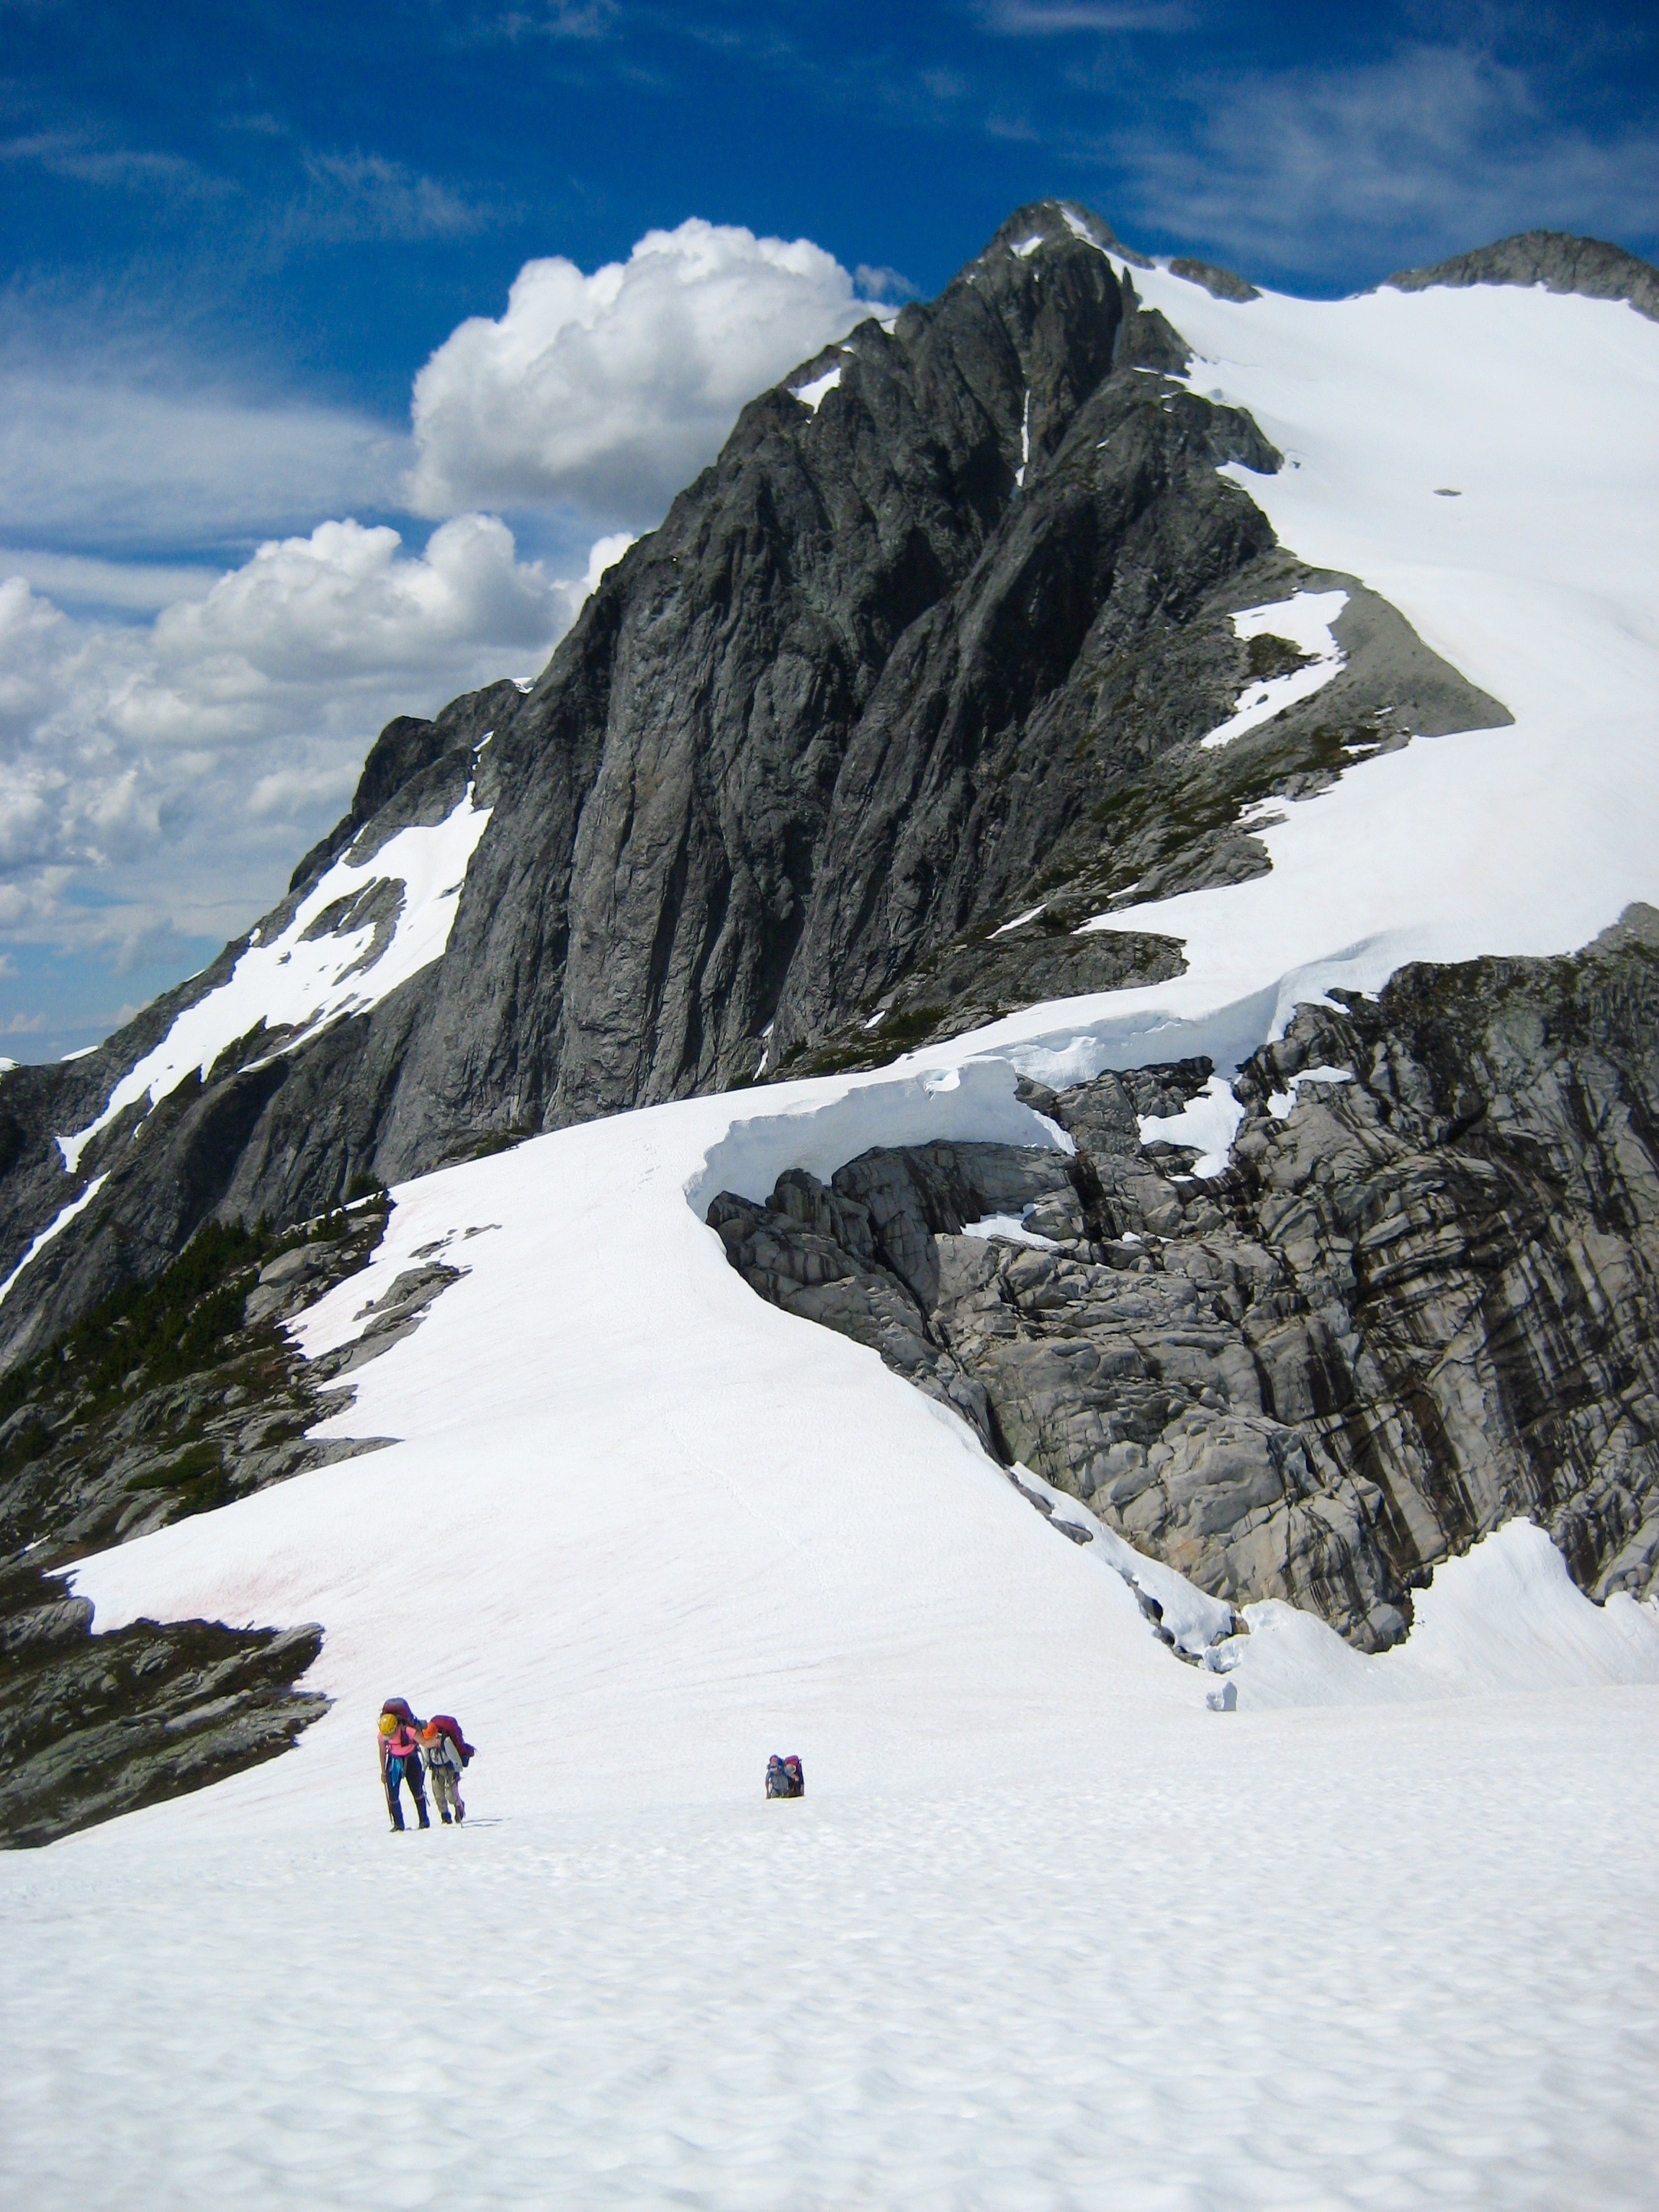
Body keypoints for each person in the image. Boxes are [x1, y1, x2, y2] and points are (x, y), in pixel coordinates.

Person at [378, 1706, 431, 1831]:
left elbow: (424, 1742)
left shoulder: (407, 1730)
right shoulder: (382, 1735)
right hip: (399, 1760)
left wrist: (435, 1742)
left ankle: (423, 1821)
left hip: (408, 1759)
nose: (389, 1737)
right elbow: (382, 1751)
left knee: (416, 1790)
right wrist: (383, 1772)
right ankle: (399, 1824)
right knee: (393, 1795)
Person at [419, 1718, 467, 1825]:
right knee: (438, 1794)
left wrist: (457, 1772)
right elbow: (426, 1759)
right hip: (436, 1769)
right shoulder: (428, 1744)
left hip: (449, 1769)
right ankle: (445, 1816)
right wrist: (422, 1771)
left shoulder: (446, 1742)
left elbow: (455, 1758)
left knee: (451, 1795)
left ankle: (459, 1805)